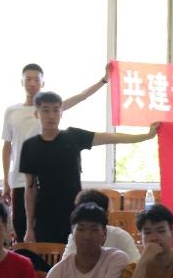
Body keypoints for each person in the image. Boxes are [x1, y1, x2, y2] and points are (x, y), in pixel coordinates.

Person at [19, 89, 158, 244]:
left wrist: (145, 136)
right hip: (44, 215)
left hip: (75, 213)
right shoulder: (30, 146)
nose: (51, 116)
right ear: (36, 113)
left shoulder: (73, 136)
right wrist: (29, 227)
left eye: (56, 110)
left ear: (62, 112)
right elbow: (30, 189)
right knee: (46, 257)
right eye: (46, 110)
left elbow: (110, 137)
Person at [1, 62, 109, 240]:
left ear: (43, 83)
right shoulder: (12, 111)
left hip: (45, 182)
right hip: (19, 181)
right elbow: (7, 146)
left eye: (37, 80)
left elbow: (81, 96)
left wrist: (103, 80)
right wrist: (5, 181)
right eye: (28, 79)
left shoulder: (50, 108)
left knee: (49, 231)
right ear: (22, 82)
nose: (32, 83)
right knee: (22, 231)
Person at [43, 203, 128, 278]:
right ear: (72, 233)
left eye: (94, 230)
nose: (87, 236)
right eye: (81, 229)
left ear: (104, 233)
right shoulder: (56, 274)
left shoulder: (115, 259)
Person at [60, 189, 140, 263]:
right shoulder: (76, 237)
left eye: (94, 215)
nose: (87, 236)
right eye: (81, 228)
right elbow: (65, 267)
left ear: (106, 215)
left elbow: (136, 267)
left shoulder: (121, 236)